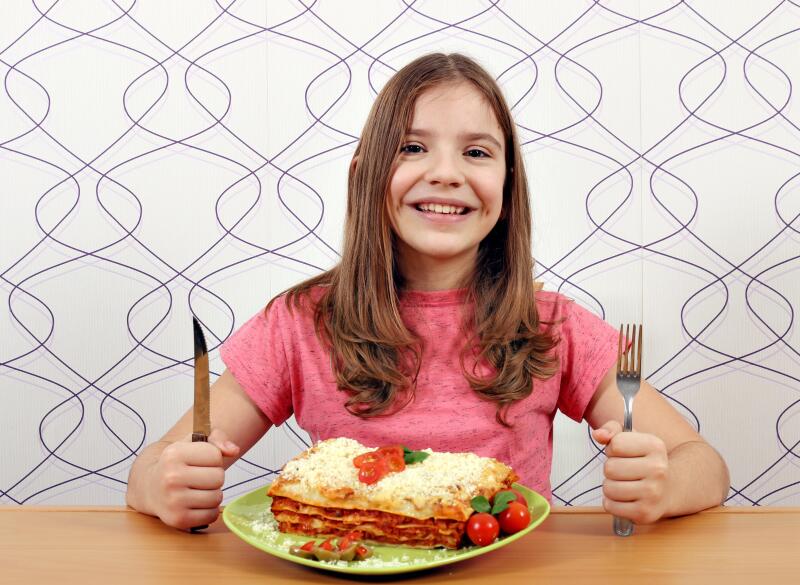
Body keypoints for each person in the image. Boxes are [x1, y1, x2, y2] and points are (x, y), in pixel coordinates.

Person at [126, 53, 729, 531]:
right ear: (365, 173)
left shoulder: (553, 325)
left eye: (476, 152)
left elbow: (704, 464)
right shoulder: (299, 324)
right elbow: (148, 472)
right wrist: (170, 485)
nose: (446, 171)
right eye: (412, 147)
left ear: (507, 185)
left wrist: (662, 485)